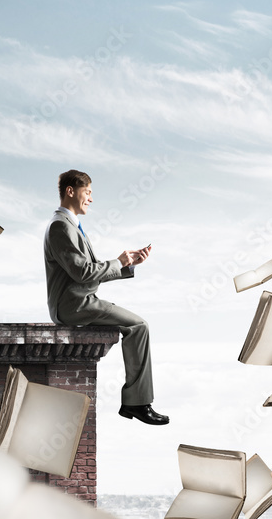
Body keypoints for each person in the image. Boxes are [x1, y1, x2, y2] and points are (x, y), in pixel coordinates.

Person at [43, 169, 168, 425]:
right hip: (74, 305)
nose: (90, 199)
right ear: (71, 191)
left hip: (79, 301)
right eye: (87, 192)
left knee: (138, 325)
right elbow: (82, 272)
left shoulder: (70, 226)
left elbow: (88, 272)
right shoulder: (60, 227)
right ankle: (137, 403)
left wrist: (127, 265)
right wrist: (117, 261)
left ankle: (136, 402)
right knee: (138, 326)